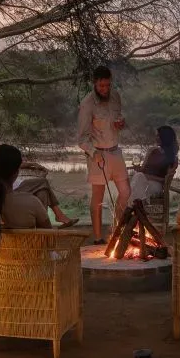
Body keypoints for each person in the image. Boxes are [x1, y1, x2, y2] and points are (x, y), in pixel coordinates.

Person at [77, 65, 131, 244]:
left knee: (125, 191)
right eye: (101, 86)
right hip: (98, 154)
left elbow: (119, 119)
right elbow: (81, 139)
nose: (105, 89)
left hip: (115, 151)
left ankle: (116, 229)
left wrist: (121, 124)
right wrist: (93, 153)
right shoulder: (87, 104)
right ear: (94, 83)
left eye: (107, 85)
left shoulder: (115, 96)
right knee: (98, 197)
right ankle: (98, 238)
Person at [0, 134, 78, 228]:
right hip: (12, 189)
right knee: (43, 182)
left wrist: (32, 164)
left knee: (43, 192)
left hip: (18, 185)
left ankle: (43, 228)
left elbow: (13, 164)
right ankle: (57, 217)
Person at [129, 126, 179, 204]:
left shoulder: (173, 158)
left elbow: (165, 180)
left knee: (138, 180)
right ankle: (140, 207)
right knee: (138, 178)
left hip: (156, 186)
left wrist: (148, 177)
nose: (156, 138)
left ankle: (134, 209)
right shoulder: (152, 150)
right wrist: (137, 168)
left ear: (165, 137)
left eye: (158, 136)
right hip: (142, 181)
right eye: (156, 136)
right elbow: (142, 169)